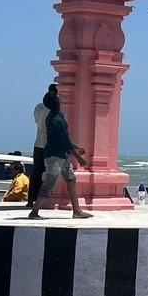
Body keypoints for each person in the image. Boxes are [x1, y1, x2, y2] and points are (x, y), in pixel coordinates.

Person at [27, 90, 92, 219]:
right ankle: (34, 212)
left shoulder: (57, 116)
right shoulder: (56, 120)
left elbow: (64, 138)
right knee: (49, 183)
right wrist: (79, 158)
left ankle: (77, 211)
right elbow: (65, 140)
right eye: (58, 99)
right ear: (55, 103)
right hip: (54, 156)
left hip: (61, 154)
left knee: (71, 179)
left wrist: (76, 148)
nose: (60, 100)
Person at [28, 84, 57, 207]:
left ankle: (31, 200)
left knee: (36, 173)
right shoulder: (55, 110)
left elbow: (37, 122)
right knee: (51, 174)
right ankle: (44, 199)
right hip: (50, 145)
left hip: (38, 144)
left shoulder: (39, 108)